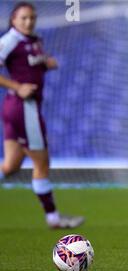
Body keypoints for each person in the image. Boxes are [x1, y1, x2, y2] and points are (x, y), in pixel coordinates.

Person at [0, 2, 84, 229]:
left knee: (10, 166)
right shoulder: (9, 40)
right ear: (13, 20)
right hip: (23, 106)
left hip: (15, 107)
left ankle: (53, 217)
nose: (29, 22)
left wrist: (47, 63)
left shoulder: (34, 41)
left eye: (32, 18)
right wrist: (17, 86)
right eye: (23, 18)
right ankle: (54, 219)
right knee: (42, 164)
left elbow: (34, 63)